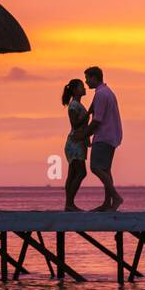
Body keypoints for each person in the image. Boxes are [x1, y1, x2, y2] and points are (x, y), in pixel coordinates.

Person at [85, 66, 123, 211]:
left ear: (94, 78)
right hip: (111, 135)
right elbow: (92, 111)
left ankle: (115, 197)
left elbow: (97, 120)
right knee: (106, 170)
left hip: (104, 136)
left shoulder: (101, 94)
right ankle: (108, 203)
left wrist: (84, 135)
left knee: (95, 167)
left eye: (88, 78)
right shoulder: (105, 92)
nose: (86, 81)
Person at [61, 79, 90, 210]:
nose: (84, 89)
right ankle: (69, 203)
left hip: (78, 142)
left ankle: (69, 204)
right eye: (81, 87)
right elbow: (75, 124)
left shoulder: (77, 105)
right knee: (81, 173)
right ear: (74, 90)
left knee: (72, 174)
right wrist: (89, 113)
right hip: (75, 143)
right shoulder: (74, 106)